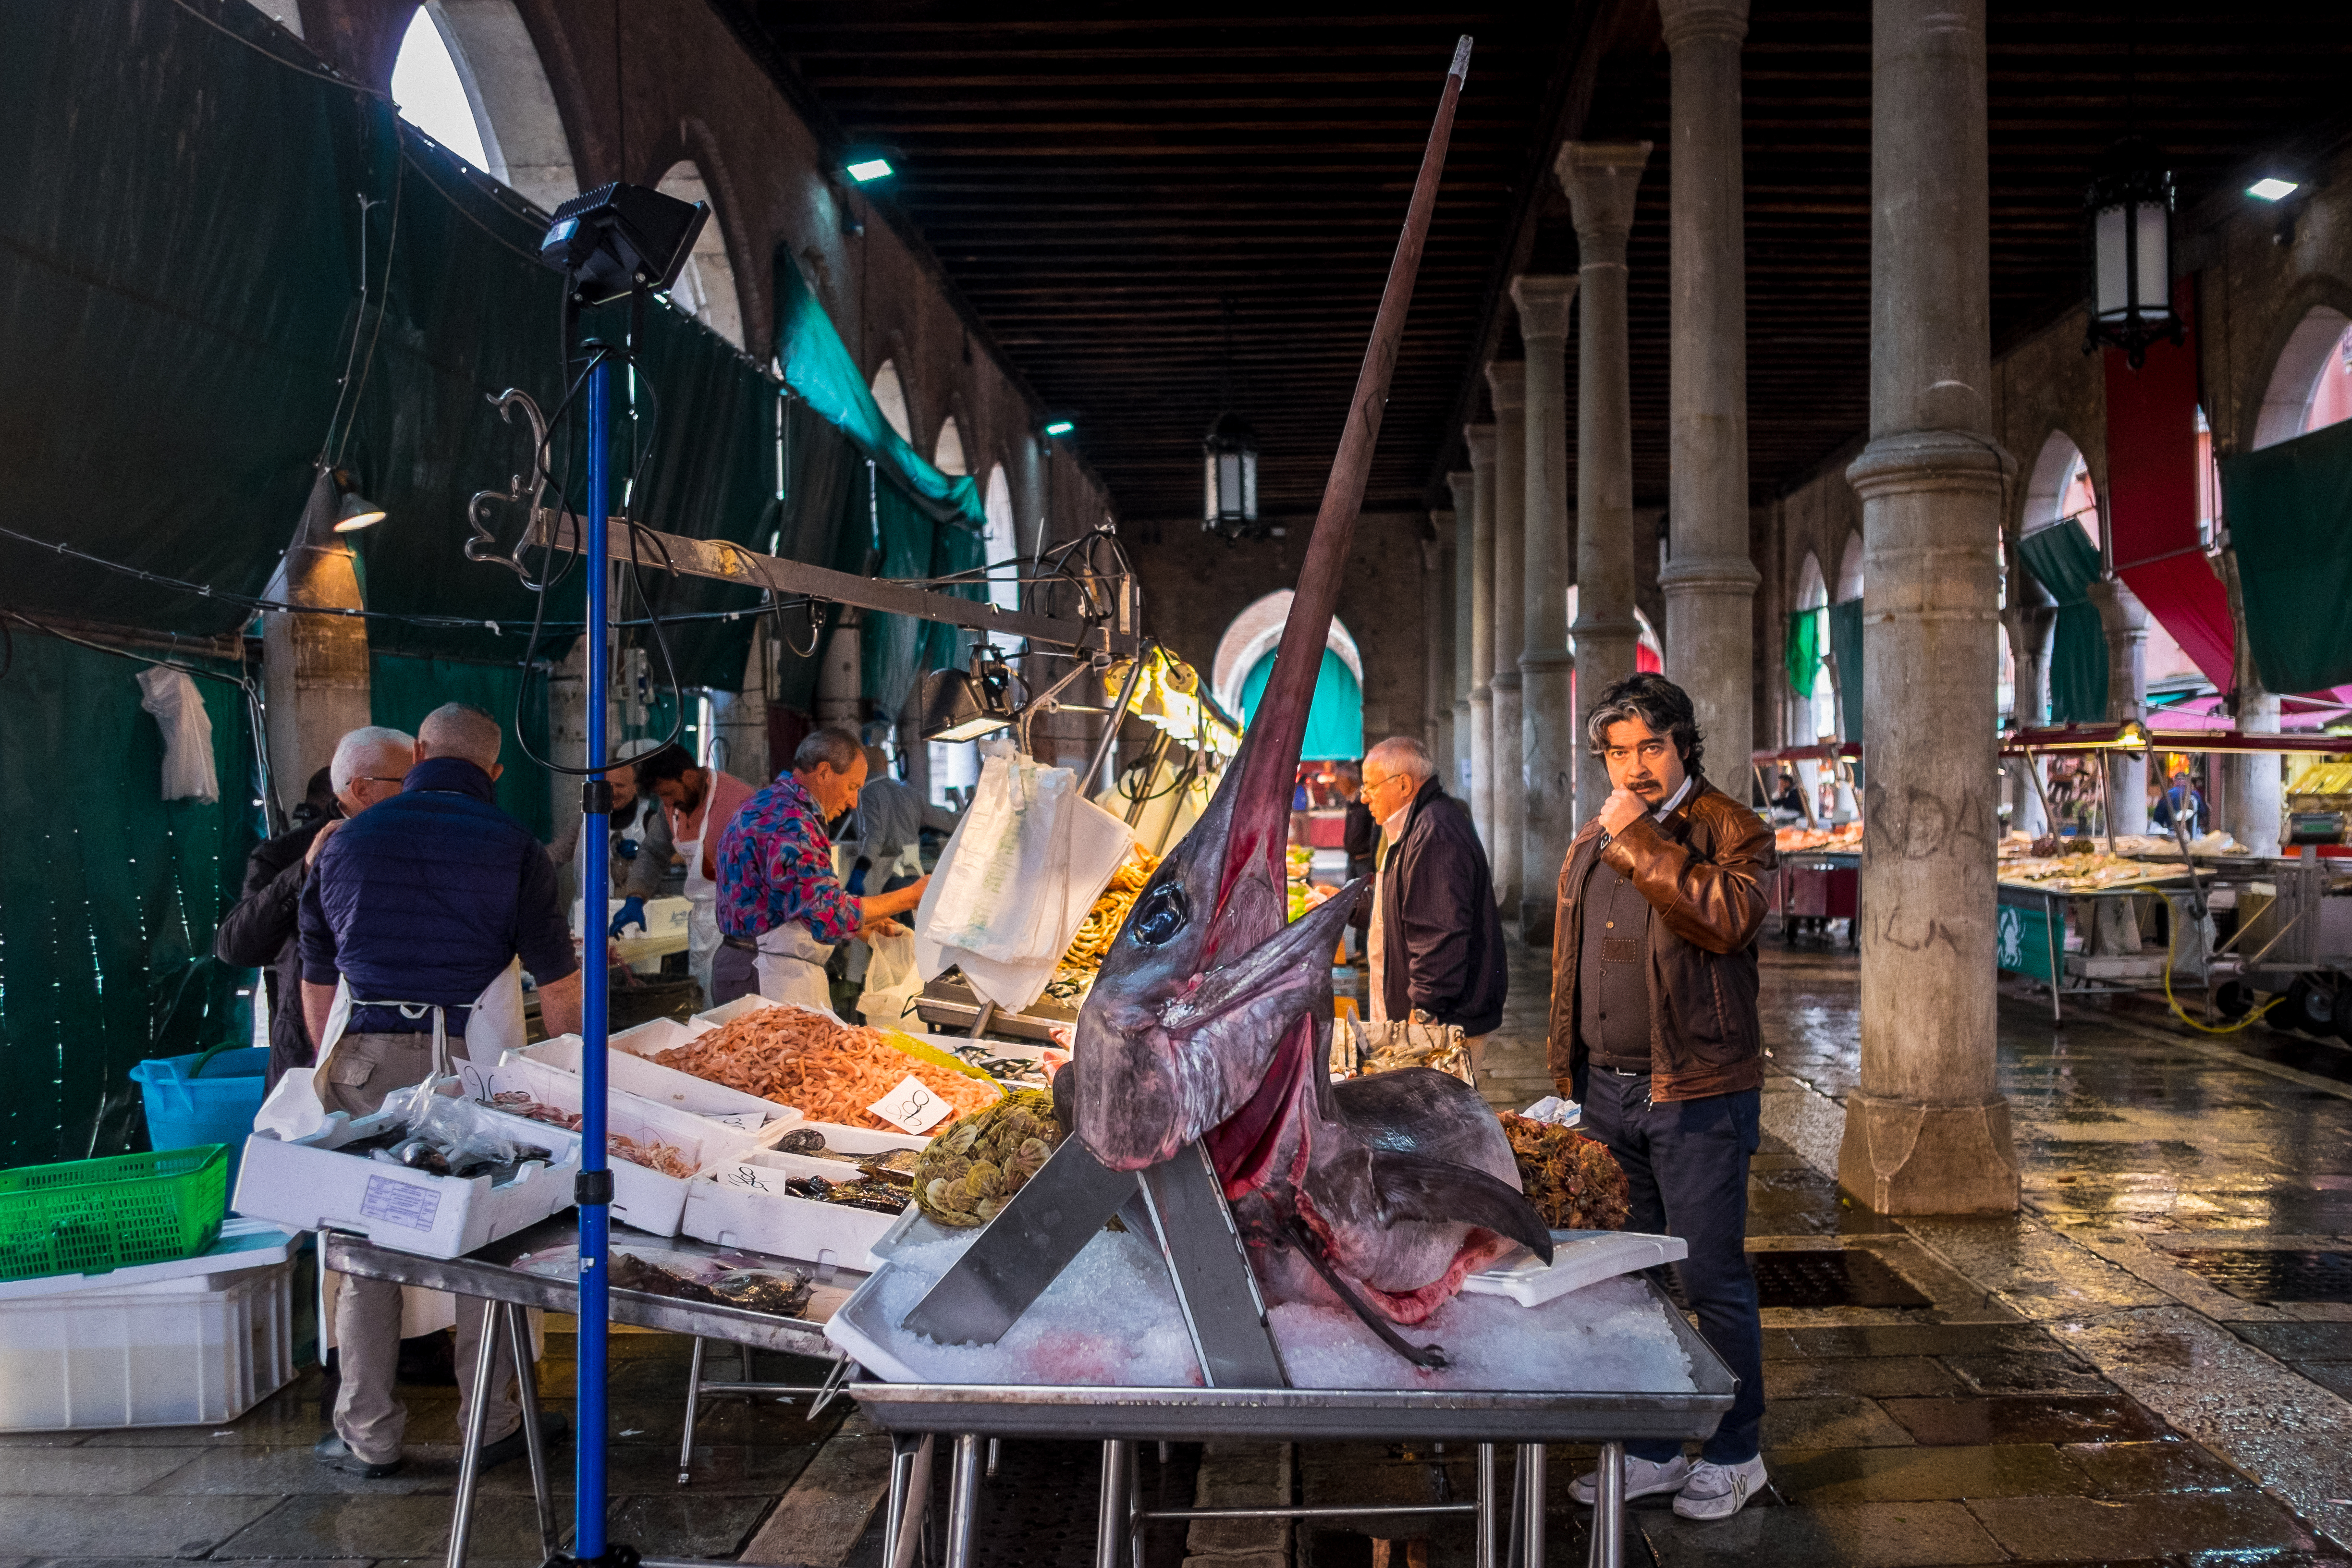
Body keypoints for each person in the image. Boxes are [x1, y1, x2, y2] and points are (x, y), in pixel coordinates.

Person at [298, 703, 582, 1479]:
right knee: (487, 1239)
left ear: (419, 751)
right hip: (472, 1065)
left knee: (363, 1247)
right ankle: (489, 1421)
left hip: (360, 1060)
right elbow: (559, 987)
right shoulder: (516, 848)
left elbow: (317, 985)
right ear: (494, 771)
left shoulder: (343, 842)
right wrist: (570, 1076)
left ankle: (367, 1432)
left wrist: (340, 1070)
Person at [1549, 672, 1774, 1520]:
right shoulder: (1597, 833)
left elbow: (1723, 917)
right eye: (1616, 751)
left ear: (1682, 743)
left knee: (1710, 1276)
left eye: (1649, 745)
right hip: (1607, 1091)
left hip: (1696, 1092)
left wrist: (1638, 835)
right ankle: (1649, 1447)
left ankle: (1735, 1448)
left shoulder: (1733, 830)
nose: (1633, 764)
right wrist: (1565, 1073)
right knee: (1630, 1281)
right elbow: (1573, 961)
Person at [215, 731, 414, 1091]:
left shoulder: (424, 845)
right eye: (409, 781)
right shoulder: (285, 854)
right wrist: (303, 873)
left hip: (405, 1045)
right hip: (309, 1054)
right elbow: (235, 947)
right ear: (362, 790)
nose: (420, 792)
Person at [711, 729, 931, 1010]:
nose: (854, 802)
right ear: (825, 772)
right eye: (853, 787)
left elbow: (788, 903)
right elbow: (829, 916)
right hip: (764, 976)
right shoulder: (791, 821)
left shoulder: (766, 803)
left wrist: (859, 926)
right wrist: (912, 896)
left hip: (749, 967)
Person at [1357, 737, 1507, 1066]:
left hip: (1444, 1023)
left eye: (1370, 786)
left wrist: (1424, 1011)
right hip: (1437, 1017)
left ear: (1404, 784)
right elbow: (1405, 906)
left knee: (1441, 1115)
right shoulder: (1417, 826)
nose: (1364, 797)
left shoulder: (1435, 832)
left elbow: (1441, 933)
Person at [634, 743, 756, 999]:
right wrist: (636, 896)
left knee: (732, 1008)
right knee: (704, 1002)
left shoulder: (740, 801)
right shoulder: (672, 809)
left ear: (688, 777)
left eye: (668, 793)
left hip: (739, 926)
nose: (667, 803)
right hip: (701, 922)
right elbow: (654, 852)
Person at [546, 739, 672, 937]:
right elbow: (553, 856)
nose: (611, 792)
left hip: (636, 926)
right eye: (607, 785)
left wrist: (642, 852)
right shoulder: (585, 822)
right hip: (587, 923)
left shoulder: (650, 820)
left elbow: (679, 857)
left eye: (620, 785)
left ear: (635, 787)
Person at [846, 745, 960, 894]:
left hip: (882, 878)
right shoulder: (909, 791)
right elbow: (948, 822)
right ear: (886, 764)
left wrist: (859, 873)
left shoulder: (865, 793)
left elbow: (873, 839)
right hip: (912, 875)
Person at [1337, 764, 1378, 965]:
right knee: (1352, 902)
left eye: (1340, 782)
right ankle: (1360, 949)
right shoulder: (1352, 803)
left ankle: (1365, 950)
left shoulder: (1363, 804)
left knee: (1365, 901)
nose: (1338, 786)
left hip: (1364, 860)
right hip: (1353, 858)